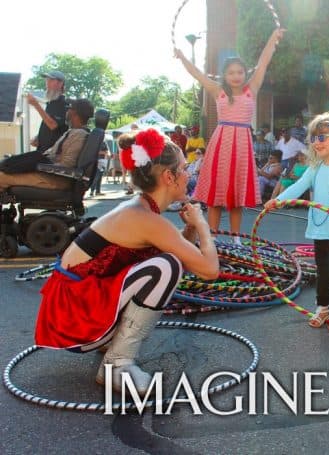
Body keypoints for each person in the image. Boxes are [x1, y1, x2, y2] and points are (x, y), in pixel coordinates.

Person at [34, 128, 219, 395]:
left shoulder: (142, 209)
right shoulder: (144, 218)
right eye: (185, 167)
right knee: (166, 267)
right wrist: (202, 225)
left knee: (166, 262)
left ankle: (110, 345)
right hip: (71, 320)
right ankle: (117, 365)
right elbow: (210, 270)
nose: (189, 174)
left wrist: (189, 230)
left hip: (73, 308)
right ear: (169, 177)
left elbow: (182, 250)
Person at [175, 28, 285, 242]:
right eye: (231, 73)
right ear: (224, 75)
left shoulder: (251, 90)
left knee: (237, 195)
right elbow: (197, 74)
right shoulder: (218, 90)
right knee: (216, 193)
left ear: (245, 74)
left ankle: (235, 239)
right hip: (221, 143)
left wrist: (273, 38)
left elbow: (263, 63)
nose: (236, 76)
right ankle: (213, 238)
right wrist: (182, 58)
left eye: (240, 72)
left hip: (242, 144)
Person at [265, 111, 329, 332]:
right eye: (315, 138)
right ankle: (322, 307)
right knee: (323, 270)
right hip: (320, 228)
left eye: (323, 137)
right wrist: (277, 200)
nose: (317, 143)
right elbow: (298, 187)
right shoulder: (315, 168)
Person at [0, 99, 94, 191]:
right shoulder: (71, 132)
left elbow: (67, 165)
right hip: (51, 173)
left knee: (1, 178)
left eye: (69, 108)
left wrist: (40, 166)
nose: (66, 111)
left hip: (58, 179)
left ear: (74, 112)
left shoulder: (80, 135)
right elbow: (51, 154)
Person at [28, 70, 68, 153]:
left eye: (50, 80)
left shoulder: (62, 104)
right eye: (47, 80)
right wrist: (39, 138)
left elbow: (53, 125)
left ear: (60, 84)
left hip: (50, 156)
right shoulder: (52, 103)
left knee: (8, 163)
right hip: (42, 151)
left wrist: (36, 105)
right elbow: (50, 126)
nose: (47, 83)